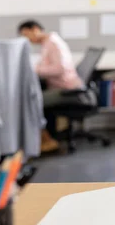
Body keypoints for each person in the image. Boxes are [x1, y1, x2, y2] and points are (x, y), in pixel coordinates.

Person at [18, 20, 83, 152]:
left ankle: (46, 140)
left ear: (35, 29)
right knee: (35, 96)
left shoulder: (53, 43)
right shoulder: (47, 43)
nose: (27, 39)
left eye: (27, 35)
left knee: (33, 101)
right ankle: (46, 137)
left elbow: (59, 69)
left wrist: (35, 70)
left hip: (66, 89)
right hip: (59, 86)